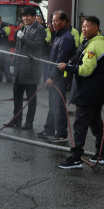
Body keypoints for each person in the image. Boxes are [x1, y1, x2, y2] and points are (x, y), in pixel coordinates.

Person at [57, 16, 104, 169]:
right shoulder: (100, 44)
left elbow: (85, 71)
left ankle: (76, 159)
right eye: (82, 26)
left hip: (87, 93)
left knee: (80, 126)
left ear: (95, 28)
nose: (83, 29)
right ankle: (100, 154)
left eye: (86, 26)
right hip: (97, 92)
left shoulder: (93, 47)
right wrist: (102, 73)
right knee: (96, 124)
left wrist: (68, 68)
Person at [38, 10, 76, 143]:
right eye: (52, 20)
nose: (53, 23)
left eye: (56, 20)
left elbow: (60, 60)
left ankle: (61, 133)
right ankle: (49, 129)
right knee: (53, 103)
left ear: (65, 22)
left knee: (58, 104)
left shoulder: (67, 38)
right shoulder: (58, 36)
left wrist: (52, 77)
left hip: (60, 78)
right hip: (55, 76)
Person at [6, 6, 46, 130]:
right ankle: (16, 120)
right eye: (23, 16)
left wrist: (23, 37)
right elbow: (17, 49)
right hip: (19, 69)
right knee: (17, 97)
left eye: (28, 15)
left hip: (31, 70)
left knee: (31, 99)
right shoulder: (22, 28)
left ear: (34, 16)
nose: (25, 18)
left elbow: (37, 46)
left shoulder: (40, 30)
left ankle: (29, 122)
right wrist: (13, 64)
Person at [36, 15, 52, 83]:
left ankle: (45, 82)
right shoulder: (33, 28)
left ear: (41, 20)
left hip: (44, 52)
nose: (37, 20)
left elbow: (48, 39)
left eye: (39, 19)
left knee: (44, 68)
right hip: (36, 51)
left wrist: (39, 41)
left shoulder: (46, 29)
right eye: (36, 19)